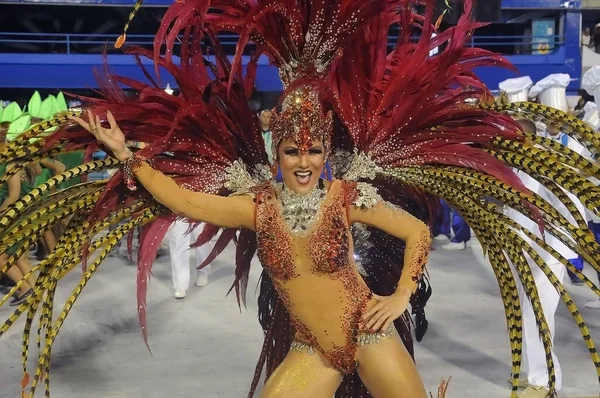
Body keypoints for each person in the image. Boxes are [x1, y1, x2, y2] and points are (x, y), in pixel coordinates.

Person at [2, 1, 599, 398]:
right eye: (293, 153)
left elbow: (417, 234)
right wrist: (127, 157)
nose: (305, 163)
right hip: (315, 348)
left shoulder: (347, 195)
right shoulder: (255, 206)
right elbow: (184, 200)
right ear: (277, 154)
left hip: (368, 335)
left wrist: (397, 297)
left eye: (314, 152)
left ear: (325, 154)